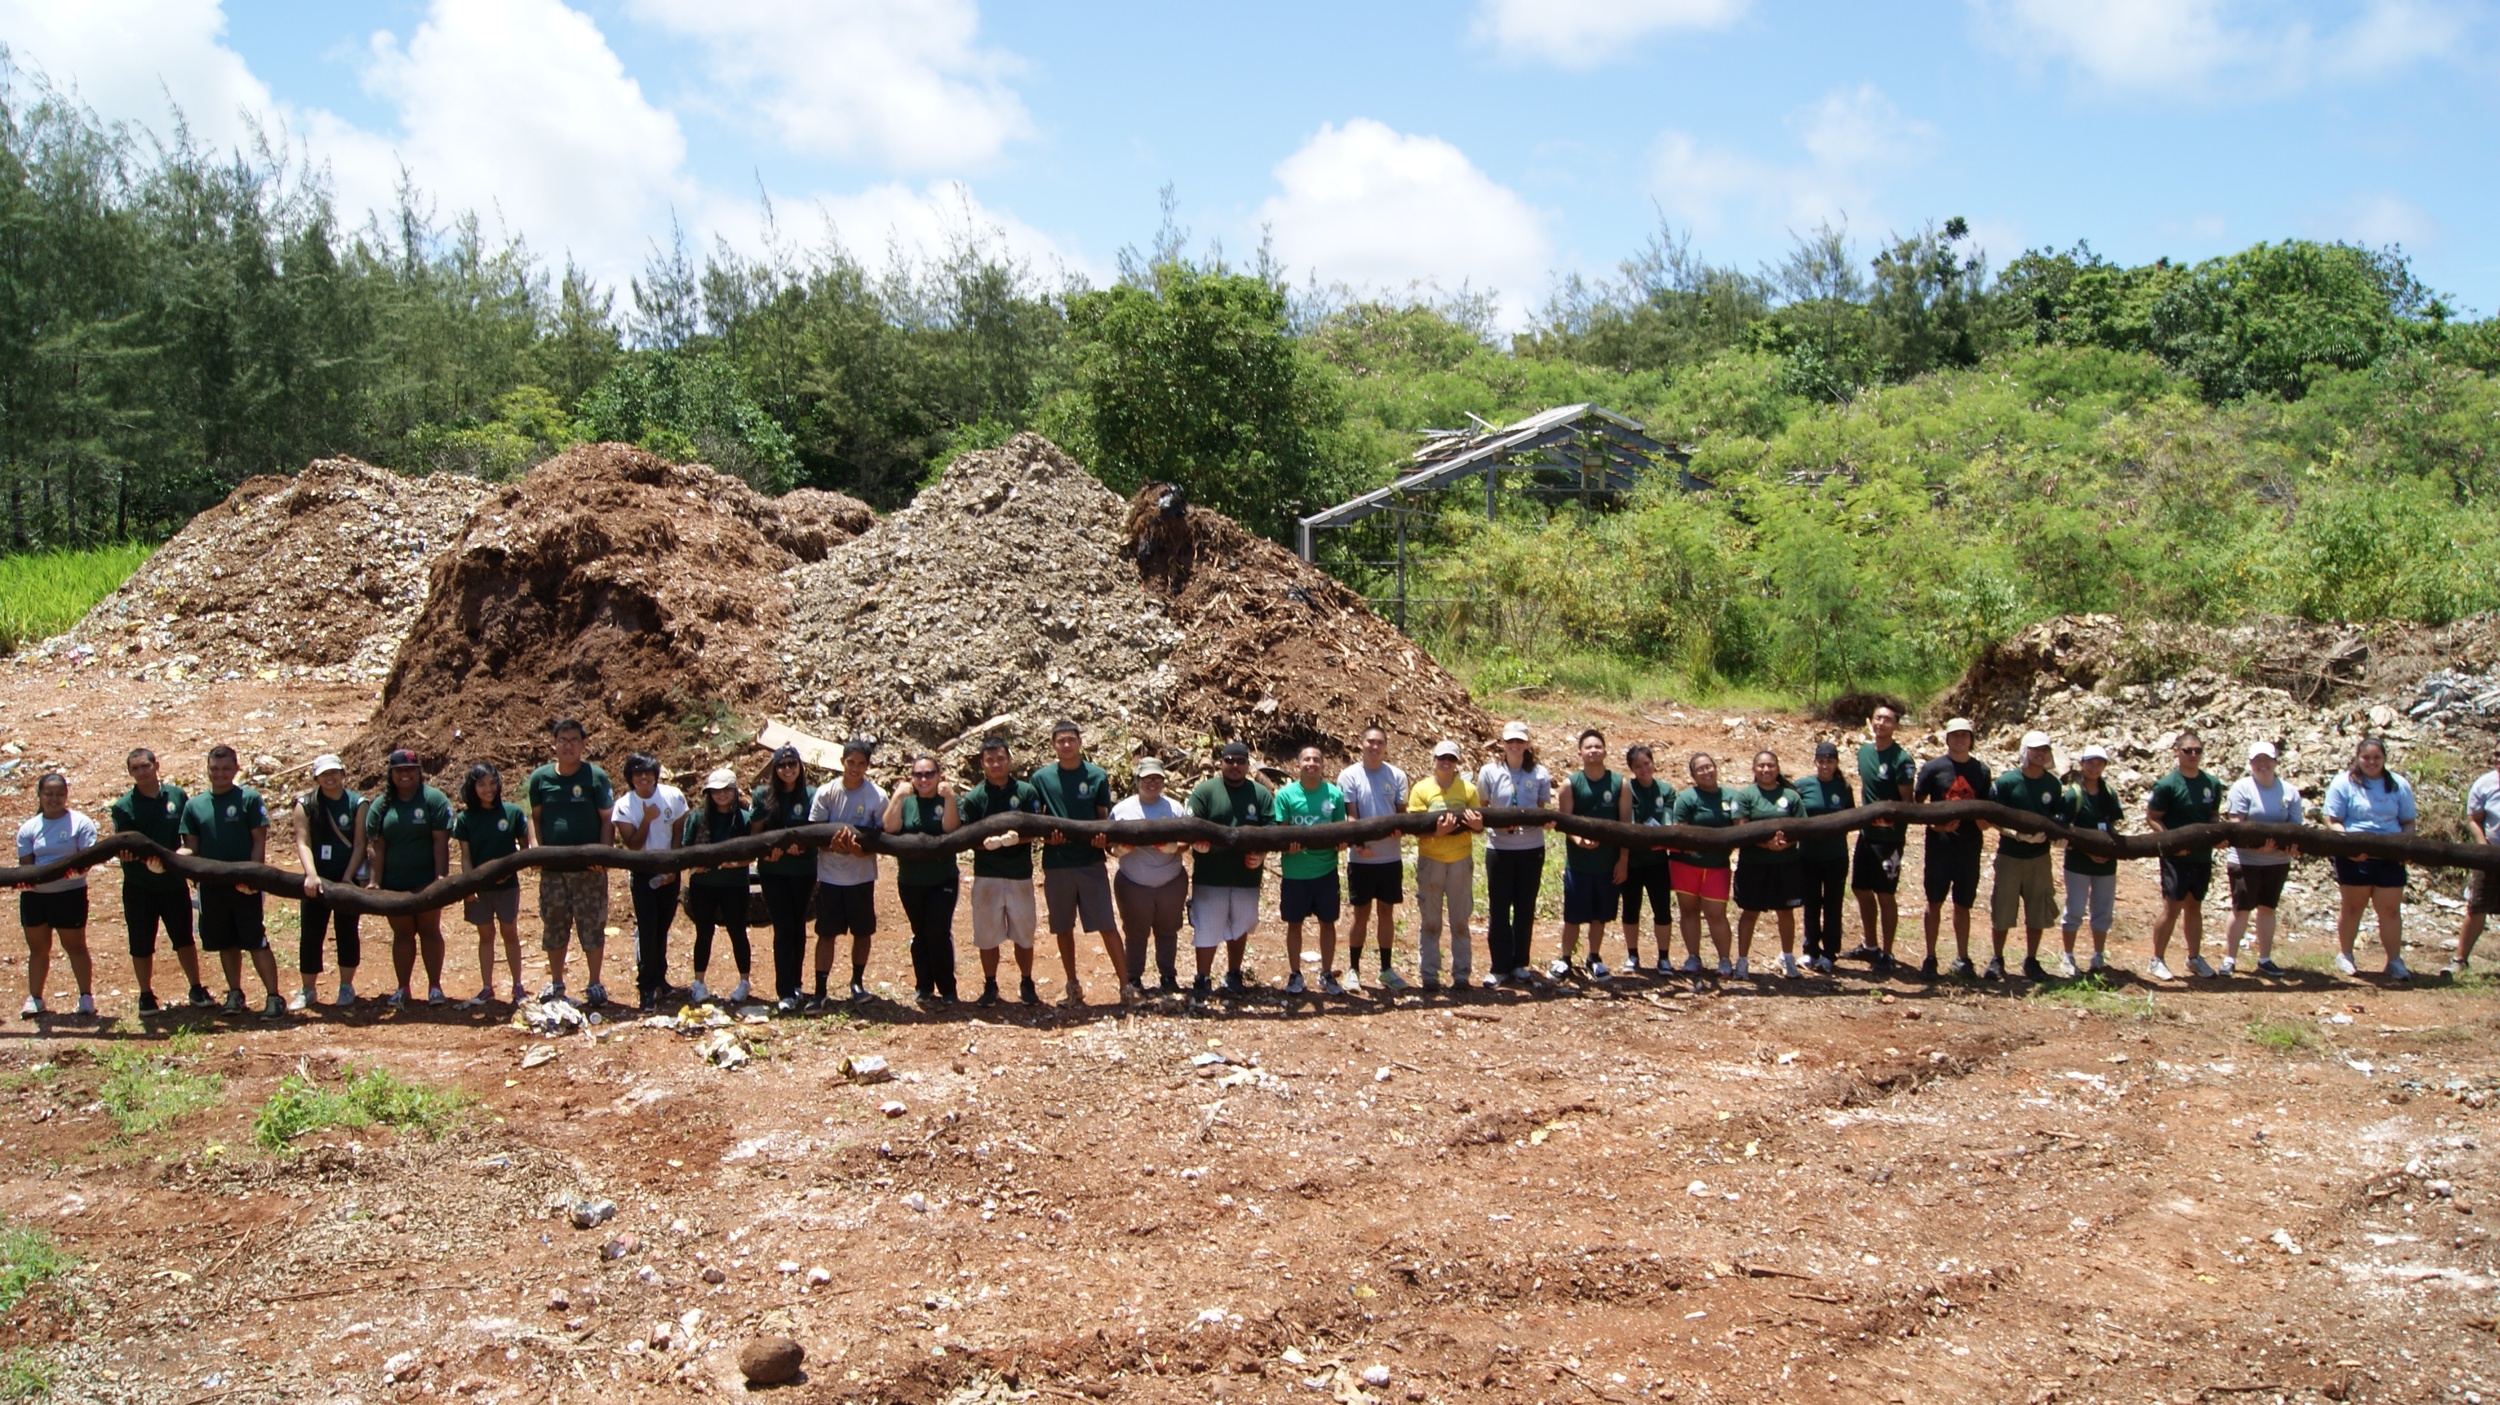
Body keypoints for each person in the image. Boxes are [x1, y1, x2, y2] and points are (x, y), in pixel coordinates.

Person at [180, 744, 284, 1016]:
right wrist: (174, 858)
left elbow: (258, 841)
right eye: (214, 769)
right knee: (225, 941)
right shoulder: (194, 805)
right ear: (208, 770)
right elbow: (191, 845)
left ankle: (274, 996)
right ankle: (235, 993)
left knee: (255, 939)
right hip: (211, 885)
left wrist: (254, 876)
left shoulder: (249, 799)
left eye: (226, 769)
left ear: (236, 769)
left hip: (244, 883)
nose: (220, 774)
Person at [112, 747, 211, 1011]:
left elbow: (189, 835)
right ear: (130, 772)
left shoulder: (177, 796)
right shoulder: (124, 807)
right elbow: (124, 848)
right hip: (139, 885)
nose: (141, 772)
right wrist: (138, 859)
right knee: (141, 941)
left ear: (157, 765)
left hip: (173, 883)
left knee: (184, 938)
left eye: (145, 766)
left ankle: (196, 988)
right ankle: (145, 994)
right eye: (135, 769)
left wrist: (180, 860)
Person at [529, 718, 615, 1005]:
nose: (568, 746)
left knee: (592, 925)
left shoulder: (595, 777)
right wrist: (535, 850)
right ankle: (556, 983)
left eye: (574, 740)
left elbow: (607, 819)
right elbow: (536, 818)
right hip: (553, 870)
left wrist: (604, 854)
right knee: (554, 925)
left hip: (589, 870)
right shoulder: (541, 778)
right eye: (562, 740)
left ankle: (594, 983)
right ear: (554, 744)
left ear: (583, 744)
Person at [1032, 721, 1118, 1006]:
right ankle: (1072, 985)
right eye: (1060, 741)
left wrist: (1102, 840)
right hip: (1057, 862)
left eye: (1071, 739)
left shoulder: (1096, 775)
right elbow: (1037, 820)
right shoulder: (1041, 778)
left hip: (1090, 860)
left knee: (1107, 923)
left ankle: (1126, 985)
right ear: (1053, 745)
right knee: (1063, 926)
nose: (1066, 745)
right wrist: (1047, 838)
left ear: (1080, 742)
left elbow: (1102, 817)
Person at [958, 734, 1047, 1007]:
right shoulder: (974, 798)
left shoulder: (1026, 792)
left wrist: (1015, 839)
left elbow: (1035, 828)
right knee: (987, 935)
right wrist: (987, 845)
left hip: (1019, 873)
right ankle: (990, 984)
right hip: (987, 875)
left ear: (1009, 760)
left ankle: (1026, 981)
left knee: (1024, 932)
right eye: (990, 760)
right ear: (982, 764)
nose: (995, 764)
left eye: (1000, 758)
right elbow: (966, 834)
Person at [2322, 736, 2416, 982]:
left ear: (2384, 759)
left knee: (2390, 910)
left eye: (2377, 757)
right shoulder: (2343, 783)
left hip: (2389, 856)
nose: (2371, 762)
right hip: (2354, 856)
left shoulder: (2398, 784)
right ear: (2357, 757)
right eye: (2366, 757)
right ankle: (2345, 954)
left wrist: (2404, 846)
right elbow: (2332, 820)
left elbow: (2408, 822)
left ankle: (2394, 960)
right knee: (2353, 908)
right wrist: (2348, 846)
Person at [364, 748, 452, 1009]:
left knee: (429, 930)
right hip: (395, 884)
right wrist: (375, 882)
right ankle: (403, 987)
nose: (405, 775)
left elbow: (441, 842)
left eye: (410, 770)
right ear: (391, 774)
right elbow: (376, 847)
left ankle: (435, 986)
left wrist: (440, 878)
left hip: (426, 882)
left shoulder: (433, 800)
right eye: (399, 770)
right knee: (402, 934)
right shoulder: (381, 806)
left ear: (419, 773)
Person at [1187, 741, 1274, 1000]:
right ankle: (1202, 977)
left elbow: (1272, 829)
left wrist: (1262, 853)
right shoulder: (1204, 791)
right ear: (1220, 763)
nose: (1235, 766)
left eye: (1241, 761)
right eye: (1230, 760)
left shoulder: (1260, 794)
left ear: (1248, 764)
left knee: (1240, 926)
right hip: (1210, 875)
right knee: (1207, 927)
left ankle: (1234, 973)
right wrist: (1197, 843)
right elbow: (1191, 825)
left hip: (1246, 876)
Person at [1913, 718, 1992, 980]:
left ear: (1971, 739)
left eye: (1964, 735)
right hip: (1939, 846)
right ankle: (1930, 957)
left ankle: (1963, 957)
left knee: (1963, 904)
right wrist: (1936, 826)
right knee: (1933, 902)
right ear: (1946, 739)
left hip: (1969, 848)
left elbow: (1988, 808)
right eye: (1954, 735)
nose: (1959, 740)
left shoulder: (1981, 771)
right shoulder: (1933, 768)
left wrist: (1984, 821)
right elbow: (1917, 806)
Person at [1987, 731, 2069, 982]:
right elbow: (1992, 814)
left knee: (2038, 908)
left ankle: (2031, 960)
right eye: (2035, 750)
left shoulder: (2052, 785)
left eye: (2044, 750)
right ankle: (1997, 958)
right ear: (2025, 751)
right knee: (2003, 907)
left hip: (2039, 857)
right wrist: (2013, 833)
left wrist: (2053, 835)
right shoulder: (2007, 782)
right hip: (2010, 854)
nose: (2040, 754)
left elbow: (2059, 817)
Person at [2145, 730, 2226, 981]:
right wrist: (2170, 842)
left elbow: (2213, 815)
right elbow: (2152, 817)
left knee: (2195, 906)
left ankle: (2194, 957)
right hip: (2176, 857)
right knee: (2172, 907)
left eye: (2198, 750)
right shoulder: (2167, 785)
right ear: (2176, 752)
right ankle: (2156, 959)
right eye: (2188, 750)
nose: (2193, 755)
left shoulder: (2211, 784)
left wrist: (2217, 833)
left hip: (2201, 857)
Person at [15, 773, 98, 1017]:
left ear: (67, 795)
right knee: (38, 948)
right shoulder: (28, 828)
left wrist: (73, 872)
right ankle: (35, 998)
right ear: (39, 795)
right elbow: (26, 864)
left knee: (76, 946)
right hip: (36, 898)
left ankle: (85, 997)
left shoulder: (81, 823)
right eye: (48, 794)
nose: (54, 799)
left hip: (69, 894)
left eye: (59, 794)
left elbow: (87, 857)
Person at [1477, 722, 1553, 987]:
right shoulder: (1489, 772)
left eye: (1520, 741)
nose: (1515, 745)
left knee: (1525, 907)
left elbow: (1543, 809)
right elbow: (1482, 810)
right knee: (1499, 907)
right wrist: (1499, 823)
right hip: (1499, 848)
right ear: (1503, 743)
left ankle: (1520, 963)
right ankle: (1499, 965)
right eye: (1510, 741)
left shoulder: (1540, 773)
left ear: (1527, 744)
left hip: (1531, 848)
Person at [809, 739, 885, 1004]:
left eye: (861, 764)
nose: (855, 768)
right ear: (842, 762)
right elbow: (815, 832)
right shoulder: (826, 792)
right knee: (826, 933)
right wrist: (831, 845)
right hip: (829, 876)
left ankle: (857, 983)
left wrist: (861, 851)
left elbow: (882, 838)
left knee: (862, 932)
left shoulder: (877, 796)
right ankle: (820, 990)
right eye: (851, 762)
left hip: (860, 877)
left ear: (867, 766)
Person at [613, 753, 689, 1010]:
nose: (644, 778)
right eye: (638, 774)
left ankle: (660, 978)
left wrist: (674, 862)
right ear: (630, 778)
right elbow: (633, 845)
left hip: (669, 869)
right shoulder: (624, 806)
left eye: (648, 773)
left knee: (663, 926)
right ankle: (646, 986)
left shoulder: (673, 796)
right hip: (643, 870)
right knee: (647, 929)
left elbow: (679, 828)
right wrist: (647, 818)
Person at [883, 755, 961, 1004]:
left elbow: (951, 829)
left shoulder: (947, 798)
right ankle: (924, 986)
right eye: (918, 775)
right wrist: (897, 796)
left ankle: (948, 989)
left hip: (943, 878)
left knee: (938, 931)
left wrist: (949, 797)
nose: (924, 779)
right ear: (911, 778)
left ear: (939, 775)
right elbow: (890, 828)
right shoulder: (906, 801)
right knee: (920, 933)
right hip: (910, 879)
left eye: (929, 774)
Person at [1407, 740, 1484, 993]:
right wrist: (1437, 833)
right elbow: (1415, 827)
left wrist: (1476, 826)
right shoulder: (1421, 789)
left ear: (1457, 763)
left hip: (1460, 861)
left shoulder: (1468, 789)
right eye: (1442, 758)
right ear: (1434, 760)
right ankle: (1429, 975)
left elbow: (1479, 822)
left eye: (1451, 758)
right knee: (1430, 921)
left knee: (1460, 920)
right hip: (1431, 861)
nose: (1446, 762)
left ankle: (1461, 974)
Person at [1554, 729, 1630, 981]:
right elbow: (1565, 823)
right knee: (1572, 916)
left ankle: (1594, 957)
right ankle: (1565, 959)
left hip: (1608, 864)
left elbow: (1625, 827)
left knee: (1600, 915)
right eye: (1589, 747)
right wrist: (1579, 840)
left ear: (1605, 751)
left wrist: (1623, 860)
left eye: (1598, 746)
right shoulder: (1570, 784)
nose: (1594, 750)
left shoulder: (1620, 783)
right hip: (1578, 863)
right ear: (1580, 753)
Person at [451, 762, 529, 1007]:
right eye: (482, 784)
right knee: (485, 935)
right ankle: (487, 987)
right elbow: (465, 856)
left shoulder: (512, 812)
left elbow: (524, 848)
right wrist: (469, 885)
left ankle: (518, 985)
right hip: (479, 888)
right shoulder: (465, 819)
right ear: (472, 788)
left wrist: (511, 870)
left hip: (508, 886)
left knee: (510, 932)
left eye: (492, 783)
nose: (488, 789)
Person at [1337, 727, 1410, 992]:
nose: (1375, 747)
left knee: (1387, 912)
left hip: (1390, 856)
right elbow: (1351, 815)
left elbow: (1402, 813)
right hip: (1361, 858)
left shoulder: (1397, 775)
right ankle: (1354, 969)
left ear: (1386, 746)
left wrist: (1402, 827)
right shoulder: (1349, 776)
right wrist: (1358, 844)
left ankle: (1386, 969)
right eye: (1370, 741)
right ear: (1361, 743)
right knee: (1360, 913)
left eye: (1380, 743)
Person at [291, 755, 366, 1011]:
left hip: (346, 875)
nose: (330, 778)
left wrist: (348, 876)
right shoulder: (305, 805)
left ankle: (346, 986)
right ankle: (308, 989)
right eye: (324, 774)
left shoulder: (357, 803)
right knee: (311, 934)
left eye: (334, 773)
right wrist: (311, 874)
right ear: (316, 778)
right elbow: (303, 841)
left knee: (347, 931)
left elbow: (359, 843)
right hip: (318, 877)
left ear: (343, 773)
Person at [2223, 741, 2302, 978]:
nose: (2262, 764)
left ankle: (2265, 958)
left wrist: (2280, 848)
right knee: (2242, 909)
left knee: (2268, 908)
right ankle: (2230, 958)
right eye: (2257, 760)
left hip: (2277, 861)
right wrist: (2258, 847)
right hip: (2245, 860)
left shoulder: (2289, 792)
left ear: (2276, 761)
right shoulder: (2241, 788)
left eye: (2267, 759)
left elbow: (2295, 827)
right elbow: (2236, 825)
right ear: (2250, 763)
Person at [1275, 745, 1349, 996]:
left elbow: (1341, 830)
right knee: (1294, 924)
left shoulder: (1334, 794)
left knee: (1327, 923)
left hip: (1326, 870)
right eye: (1306, 759)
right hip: (1295, 873)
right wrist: (1287, 847)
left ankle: (1326, 973)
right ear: (1298, 765)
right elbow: (1280, 835)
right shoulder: (1285, 795)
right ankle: (1295, 974)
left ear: (1322, 765)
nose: (1311, 764)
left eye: (1316, 760)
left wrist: (1341, 844)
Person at [1110, 757, 1187, 997]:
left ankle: (1167, 976)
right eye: (1147, 778)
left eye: (1157, 778)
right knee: (1135, 932)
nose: (1152, 783)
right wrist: (1117, 849)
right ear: (1137, 780)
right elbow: (1109, 842)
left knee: (1168, 930)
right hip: (1134, 882)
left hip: (1170, 881)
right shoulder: (1122, 809)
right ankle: (1133, 977)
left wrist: (1175, 847)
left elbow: (1188, 840)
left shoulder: (1174, 808)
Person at [749, 744, 818, 1012]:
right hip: (773, 871)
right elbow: (756, 834)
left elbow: (817, 830)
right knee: (783, 928)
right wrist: (767, 853)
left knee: (799, 926)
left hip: (803, 869)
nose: (787, 769)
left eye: (792, 764)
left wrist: (803, 846)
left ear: (800, 767)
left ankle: (797, 983)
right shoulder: (762, 796)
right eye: (782, 765)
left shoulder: (811, 794)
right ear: (775, 769)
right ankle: (784, 990)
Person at [1851, 704, 1918, 975]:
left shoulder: (1902, 759)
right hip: (1866, 834)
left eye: (1888, 720)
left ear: (1896, 726)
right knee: (1860, 889)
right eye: (1877, 717)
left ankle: (1888, 953)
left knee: (1885, 894)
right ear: (1871, 721)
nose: (1881, 723)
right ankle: (1870, 945)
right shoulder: (1864, 752)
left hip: (1889, 839)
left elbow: (1907, 802)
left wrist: (1895, 820)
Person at [682, 769, 756, 1005]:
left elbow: (753, 854)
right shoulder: (697, 818)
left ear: (734, 791)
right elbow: (686, 850)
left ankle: (744, 981)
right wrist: (695, 867)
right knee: (704, 932)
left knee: (737, 931)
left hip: (734, 884)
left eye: (725, 790)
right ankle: (699, 982)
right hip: (703, 885)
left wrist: (733, 864)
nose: (721, 795)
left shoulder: (745, 819)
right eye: (716, 791)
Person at [1731, 749, 1805, 979]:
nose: (1766, 770)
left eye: (1770, 765)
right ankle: (1742, 961)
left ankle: (1788, 958)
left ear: (1778, 768)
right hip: (1754, 864)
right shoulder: (1745, 796)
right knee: (1750, 911)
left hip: (1786, 862)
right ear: (1754, 769)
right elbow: (1740, 829)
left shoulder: (1791, 796)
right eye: (1761, 766)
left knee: (1785, 911)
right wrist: (1766, 845)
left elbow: (1803, 828)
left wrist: (1784, 844)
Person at [2059, 744, 2124, 976]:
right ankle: (2067, 955)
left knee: (2102, 910)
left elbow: (2115, 825)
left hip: (2106, 863)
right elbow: (2065, 829)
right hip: (2078, 861)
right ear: (2082, 765)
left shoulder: (2109, 794)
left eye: (2100, 763)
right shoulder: (2073, 795)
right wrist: (2087, 851)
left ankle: (2098, 955)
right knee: (2075, 908)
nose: (2095, 768)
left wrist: (2108, 850)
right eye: (2091, 763)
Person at [1794, 741, 1854, 975]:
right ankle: (1811, 949)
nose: (1825, 766)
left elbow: (1850, 816)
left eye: (1830, 761)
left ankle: (1830, 952)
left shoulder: (1843, 787)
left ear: (1836, 763)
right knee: (1810, 903)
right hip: (1808, 854)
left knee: (1833, 904)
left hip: (1836, 855)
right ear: (1815, 761)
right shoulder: (1803, 786)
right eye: (1821, 761)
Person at [1620, 744, 1677, 976]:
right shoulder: (1626, 789)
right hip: (1632, 860)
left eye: (1646, 763)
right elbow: (1628, 824)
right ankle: (1632, 955)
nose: (1643, 769)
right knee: (1631, 908)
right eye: (1637, 766)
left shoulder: (1666, 790)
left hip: (1658, 860)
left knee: (1662, 909)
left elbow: (1668, 823)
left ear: (1653, 763)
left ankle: (1664, 957)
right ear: (1631, 769)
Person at [2457, 742, 2500, 978]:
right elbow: (2473, 818)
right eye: (2496, 754)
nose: (2498, 759)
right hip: (2490, 854)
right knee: (2477, 906)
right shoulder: (2484, 784)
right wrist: (2482, 847)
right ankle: (2460, 959)